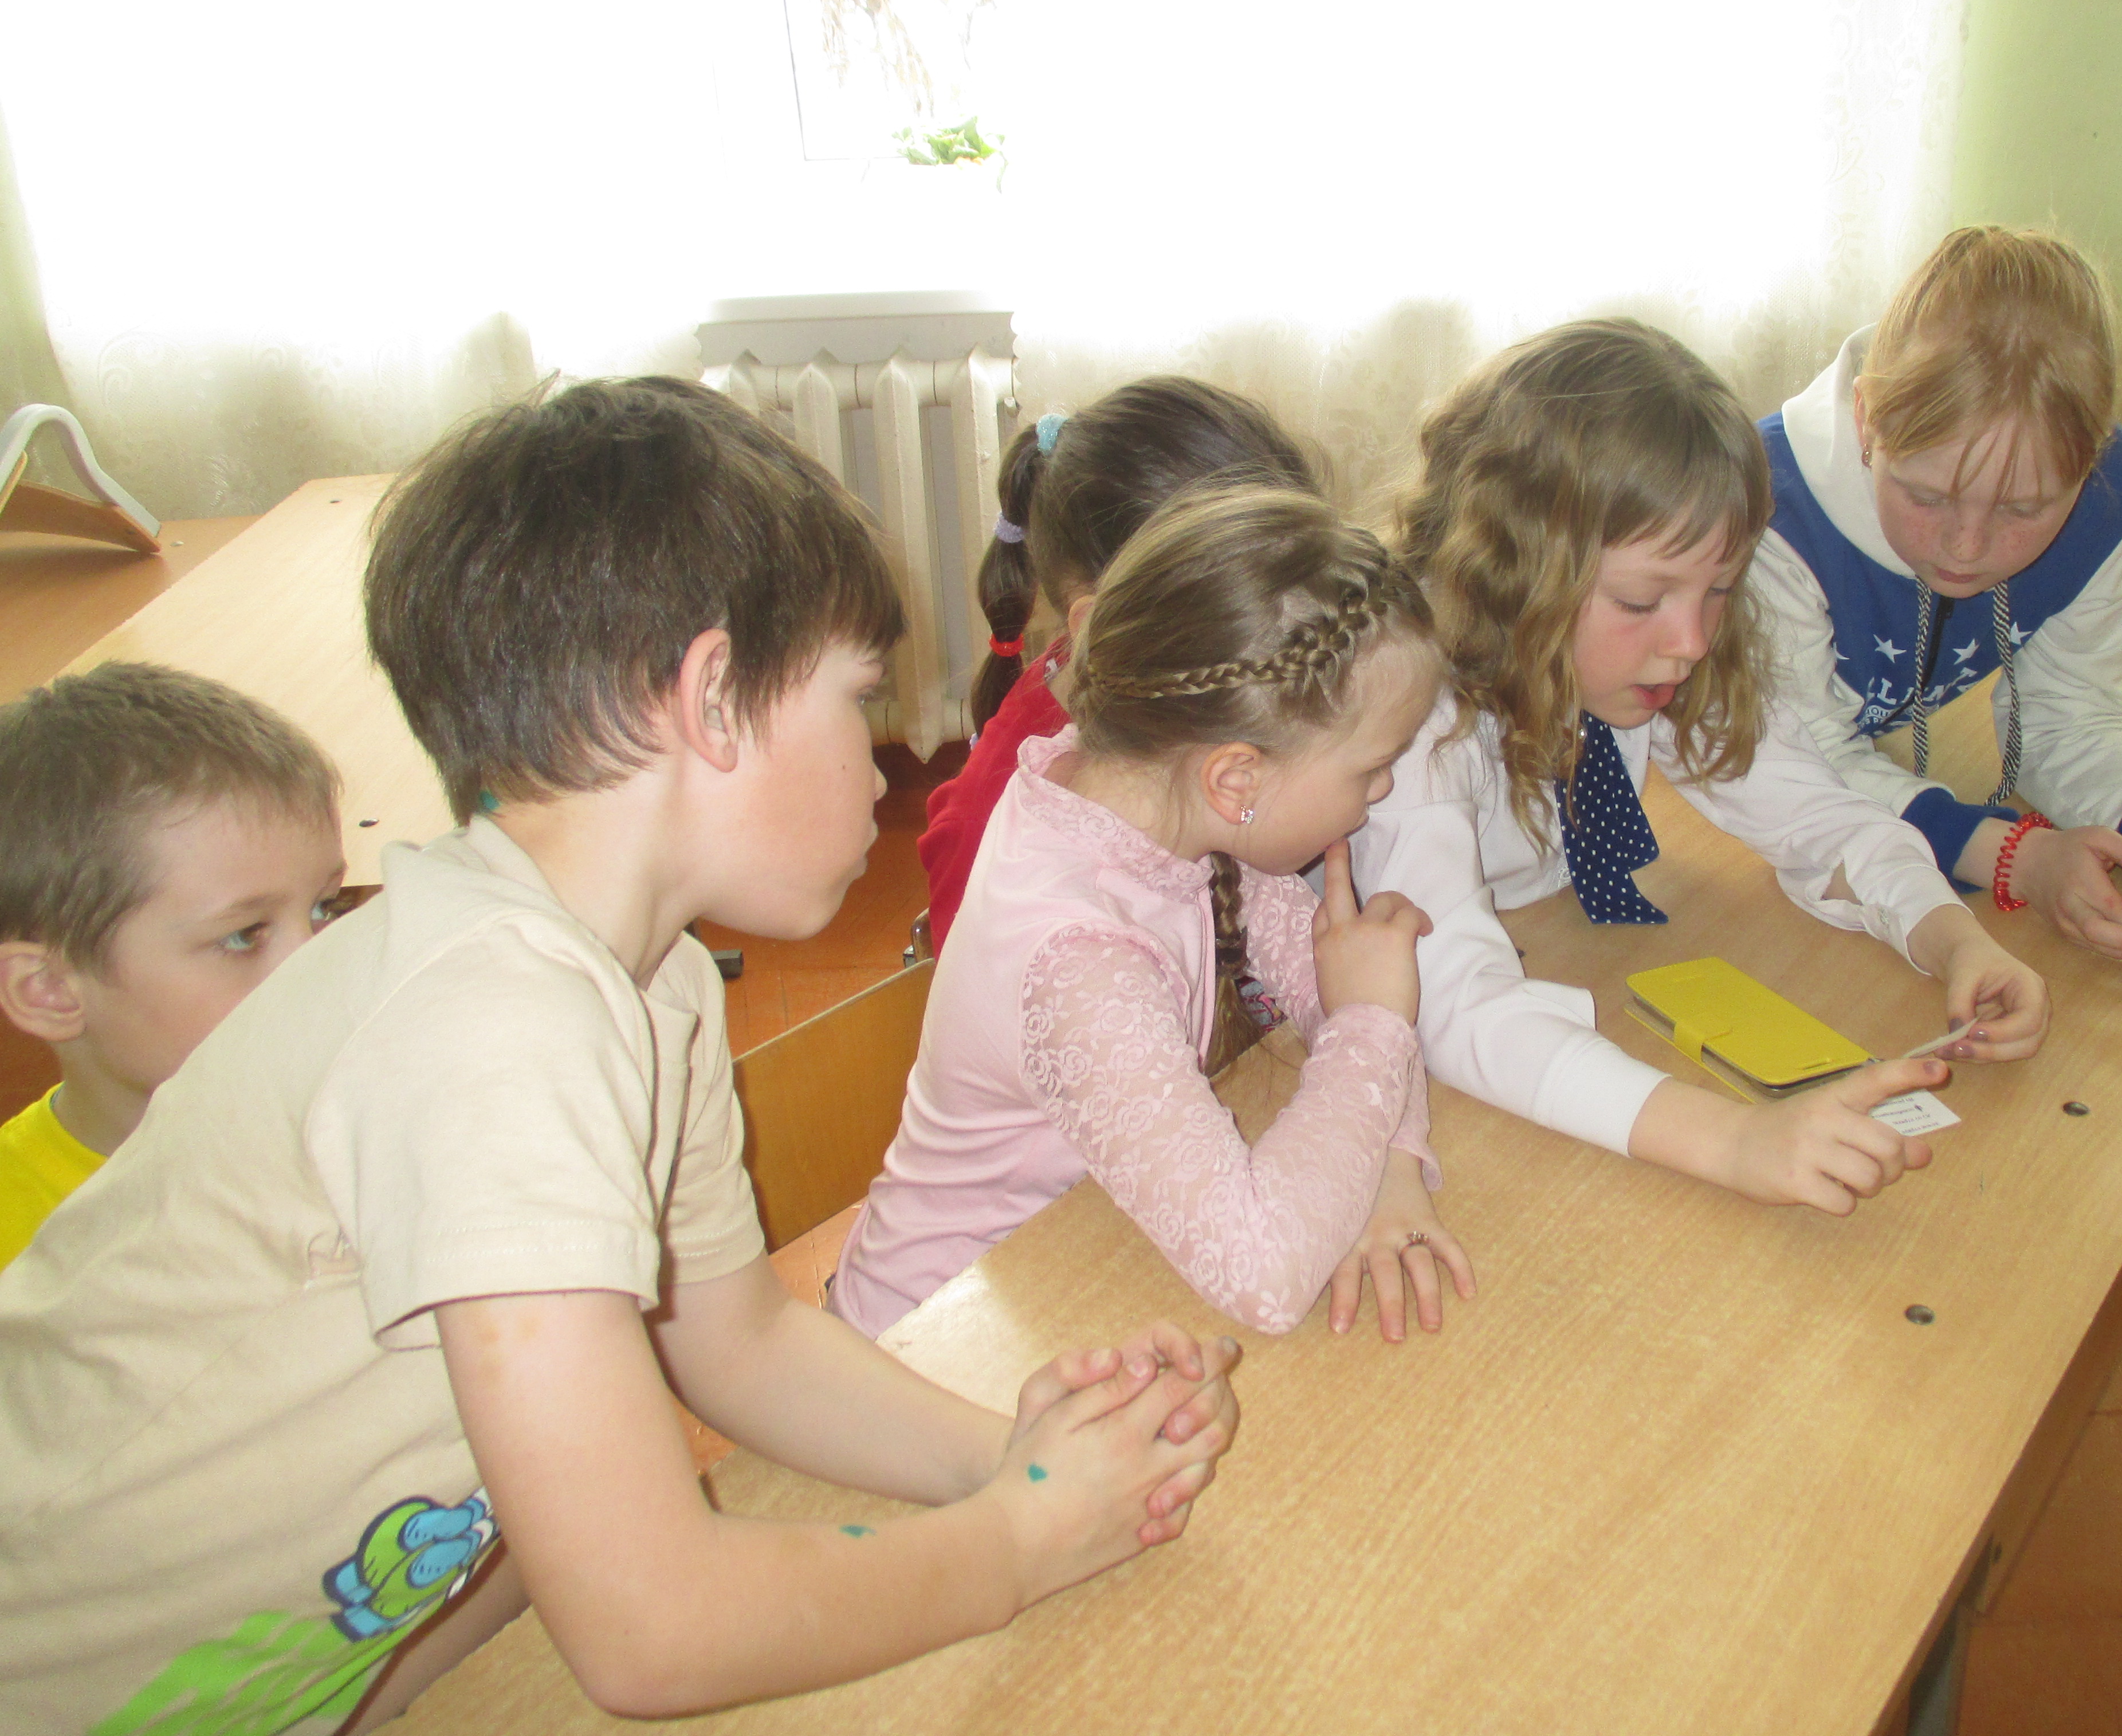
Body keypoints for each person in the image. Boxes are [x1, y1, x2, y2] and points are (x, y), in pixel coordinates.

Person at [0, 379, 1237, 1736]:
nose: (881, 757)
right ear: (712, 700)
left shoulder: (647, 986)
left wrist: (1016, 1459)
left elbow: (740, 1343)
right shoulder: (495, 1024)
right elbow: (655, 1629)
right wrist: (1016, 1540)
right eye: (857, 696)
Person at [1355, 319, 2052, 1217]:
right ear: (1511, 573)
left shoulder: (1643, 658)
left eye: (1720, 589)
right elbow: (1451, 1006)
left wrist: (1951, 938)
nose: (1689, 640)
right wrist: (1734, 1142)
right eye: (1642, 599)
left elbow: (1815, 815)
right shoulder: (1412, 723)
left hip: (1558, 946)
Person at [835, 485, 1469, 1346]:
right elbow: (1264, 1274)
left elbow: (1332, 986)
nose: (1383, 790)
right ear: (1237, 779)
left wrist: (1391, 1168)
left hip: (1077, 1277)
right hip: (939, 1341)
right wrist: (1374, 1026)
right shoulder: (1079, 962)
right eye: (1371, 768)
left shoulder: (1151, 793)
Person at [1752, 226, 2122, 963]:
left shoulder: (2109, 499)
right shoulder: (1764, 512)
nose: (1966, 548)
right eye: (1927, 497)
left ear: (2090, 462)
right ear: (1864, 420)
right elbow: (1792, 774)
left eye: (2021, 510)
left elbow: (2067, 714)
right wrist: (2014, 855)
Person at [918, 379, 1319, 942]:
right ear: (1104, 621)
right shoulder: (1001, 835)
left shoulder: (1175, 696)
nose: (1293, 627)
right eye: (1263, 598)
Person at [0, 661, 346, 1268]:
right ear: (50, 990)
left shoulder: (390, 1130)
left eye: (325, 908)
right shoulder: (20, 1249)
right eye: (243, 937)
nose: (322, 965)